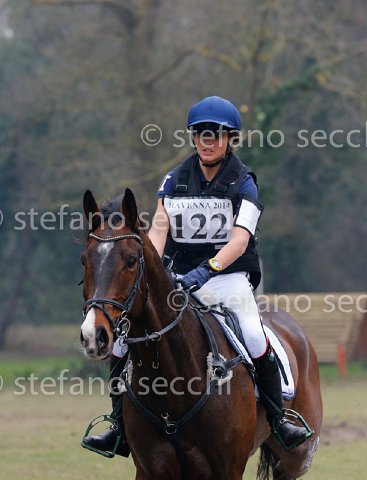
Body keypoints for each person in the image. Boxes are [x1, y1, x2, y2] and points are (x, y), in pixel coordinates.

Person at [82, 95, 309, 457]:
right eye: (202, 134)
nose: (208, 141)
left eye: (216, 134)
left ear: (230, 139)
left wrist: (208, 269)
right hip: (178, 276)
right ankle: (118, 425)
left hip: (228, 277)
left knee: (253, 334)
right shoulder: (174, 180)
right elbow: (160, 227)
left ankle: (278, 419)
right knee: (123, 342)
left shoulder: (243, 182)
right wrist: (154, 267)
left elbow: (240, 239)